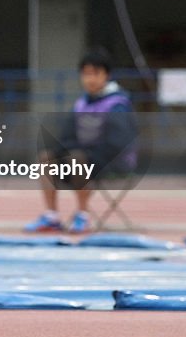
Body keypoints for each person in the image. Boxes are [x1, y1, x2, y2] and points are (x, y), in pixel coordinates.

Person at [25, 48, 138, 235]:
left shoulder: (118, 104)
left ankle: (82, 215)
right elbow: (67, 137)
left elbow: (119, 143)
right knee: (46, 158)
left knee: (77, 159)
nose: (90, 79)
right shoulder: (81, 104)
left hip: (112, 163)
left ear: (106, 75)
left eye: (95, 74)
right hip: (81, 161)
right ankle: (51, 216)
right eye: (86, 74)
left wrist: (87, 158)